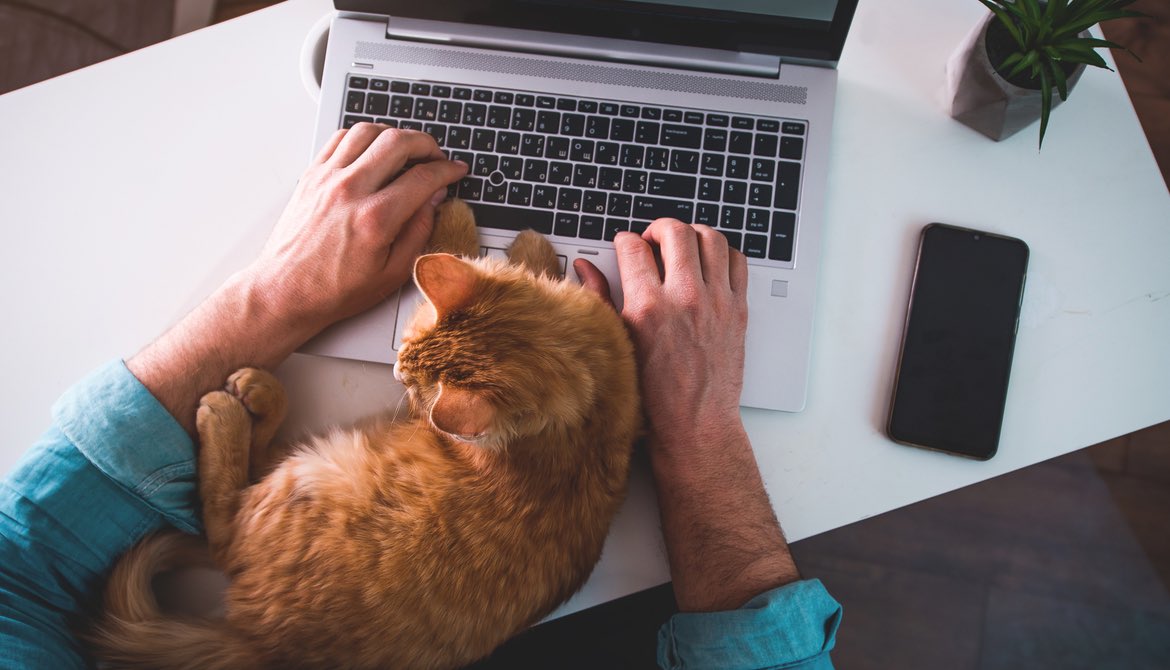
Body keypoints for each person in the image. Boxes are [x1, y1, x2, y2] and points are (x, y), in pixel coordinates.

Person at [0, 125, 840, 669]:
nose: (413, 384)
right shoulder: (518, 409)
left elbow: (20, 566)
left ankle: (230, 520)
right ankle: (229, 526)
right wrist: (698, 431)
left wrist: (274, 298)